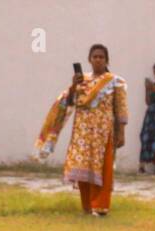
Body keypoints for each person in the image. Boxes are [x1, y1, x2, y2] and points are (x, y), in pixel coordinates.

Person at [35, 44, 127, 216]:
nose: (98, 59)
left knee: (102, 169)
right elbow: (68, 103)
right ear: (89, 60)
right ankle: (87, 207)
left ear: (106, 60)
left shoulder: (115, 82)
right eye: (95, 56)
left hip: (103, 134)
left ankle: (100, 207)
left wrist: (121, 132)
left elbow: (120, 109)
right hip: (82, 134)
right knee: (83, 170)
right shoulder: (81, 80)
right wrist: (72, 86)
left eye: (101, 57)